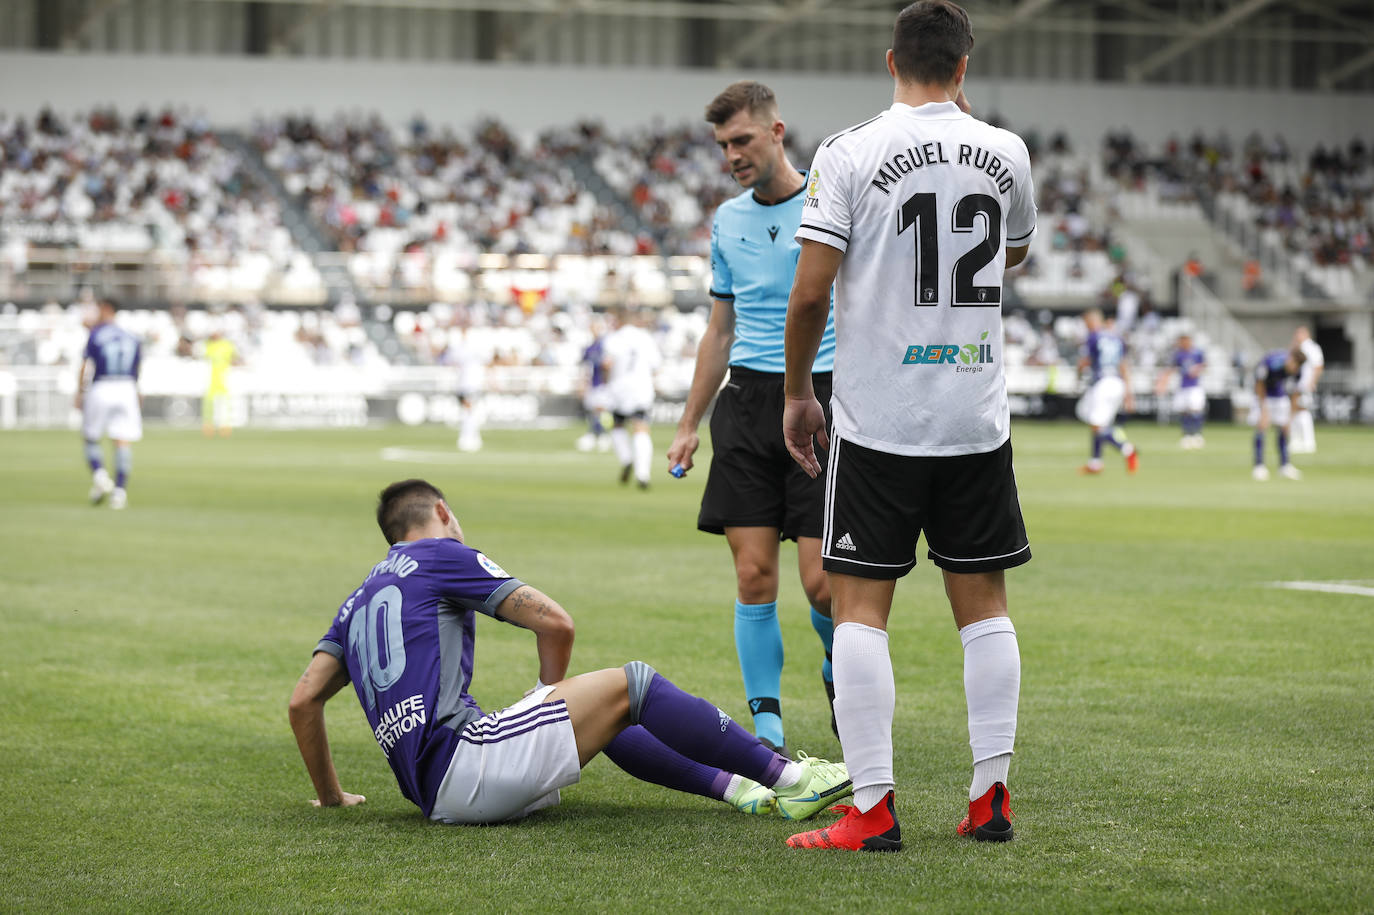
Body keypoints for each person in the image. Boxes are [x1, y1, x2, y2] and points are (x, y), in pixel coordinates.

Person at [780, 0, 1035, 851]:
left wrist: (795, 395)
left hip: (880, 418)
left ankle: (875, 808)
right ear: (964, 67)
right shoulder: (1007, 153)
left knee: (859, 610)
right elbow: (1012, 252)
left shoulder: (849, 151)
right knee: (986, 609)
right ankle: (989, 796)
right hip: (975, 417)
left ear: (892, 61)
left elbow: (812, 290)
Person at [287, 479, 853, 826]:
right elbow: (556, 623)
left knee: (600, 712)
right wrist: (547, 693)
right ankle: (792, 781)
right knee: (633, 684)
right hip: (465, 763)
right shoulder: (439, 553)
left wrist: (331, 797)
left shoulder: (359, 598)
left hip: (431, 791)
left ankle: (744, 789)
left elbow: (303, 701)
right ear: (440, 511)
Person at [664, 80, 839, 754]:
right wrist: (687, 423)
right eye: (723, 145)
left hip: (821, 399)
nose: (732, 154)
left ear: (776, 132)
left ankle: (832, 663)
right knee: (753, 575)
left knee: (823, 583)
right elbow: (720, 330)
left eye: (742, 140)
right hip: (745, 404)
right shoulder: (727, 220)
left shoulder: (828, 205)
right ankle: (767, 729)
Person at [75, 296, 141, 510]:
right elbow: (137, 367)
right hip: (127, 388)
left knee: (90, 437)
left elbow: (86, 365)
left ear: (106, 308)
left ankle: (101, 477)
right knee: (122, 440)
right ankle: (119, 493)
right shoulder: (131, 336)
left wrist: (79, 392)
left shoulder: (96, 334)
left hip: (102, 386)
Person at [601, 307, 661, 488]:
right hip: (641, 388)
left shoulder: (613, 339)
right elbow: (656, 366)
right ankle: (643, 474)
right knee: (641, 427)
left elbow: (607, 365)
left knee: (617, 424)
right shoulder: (645, 337)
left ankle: (626, 458)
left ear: (618, 321)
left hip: (619, 388)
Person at [1075, 309, 1139, 474]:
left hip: (1102, 383)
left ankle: (1127, 449)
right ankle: (1095, 463)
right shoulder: (1116, 337)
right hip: (1117, 383)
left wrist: (1078, 374)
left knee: (1096, 424)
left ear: (1092, 321)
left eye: (1086, 323)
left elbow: (1084, 361)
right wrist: (1128, 393)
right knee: (1096, 421)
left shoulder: (1093, 336)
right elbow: (1123, 365)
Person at [1250, 348, 1304, 481]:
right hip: (1263, 396)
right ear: (1290, 359)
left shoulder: (1298, 371)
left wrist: (1290, 418)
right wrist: (1264, 410)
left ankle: (1285, 466)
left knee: (1284, 430)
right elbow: (1259, 384)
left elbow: (1296, 393)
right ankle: (1259, 466)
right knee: (1262, 427)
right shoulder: (1271, 363)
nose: (1293, 369)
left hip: (1281, 397)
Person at [1156, 331, 1207, 449]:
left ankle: (1197, 434)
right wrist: (1162, 382)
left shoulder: (1197, 353)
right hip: (1183, 386)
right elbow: (1171, 368)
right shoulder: (1178, 355)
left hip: (1195, 386)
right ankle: (1187, 434)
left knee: (1196, 410)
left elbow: (1204, 365)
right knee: (1184, 411)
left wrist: (1197, 369)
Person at [575, 316, 612, 453]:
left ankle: (602, 435)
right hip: (592, 384)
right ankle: (596, 434)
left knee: (601, 410)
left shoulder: (606, 346)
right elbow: (584, 368)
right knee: (594, 411)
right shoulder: (588, 348)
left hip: (603, 384)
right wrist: (582, 384)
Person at [1289, 325, 1323, 454]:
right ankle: (1297, 440)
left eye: (1300, 333)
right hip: (1297, 384)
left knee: (1303, 409)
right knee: (1295, 410)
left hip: (1305, 384)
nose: (1297, 336)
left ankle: (1308, 442)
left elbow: (1318, 366)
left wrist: (1312, 382)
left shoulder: (1312, 348)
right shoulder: (1298, 347)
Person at [201, 326, 238, 437]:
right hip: (211, 380)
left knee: (225, 404)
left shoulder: (227, 345)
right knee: (209, 405)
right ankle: (208, 427)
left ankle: (225, 427)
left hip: (223, 379)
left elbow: (234, 358)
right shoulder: (209, 345)